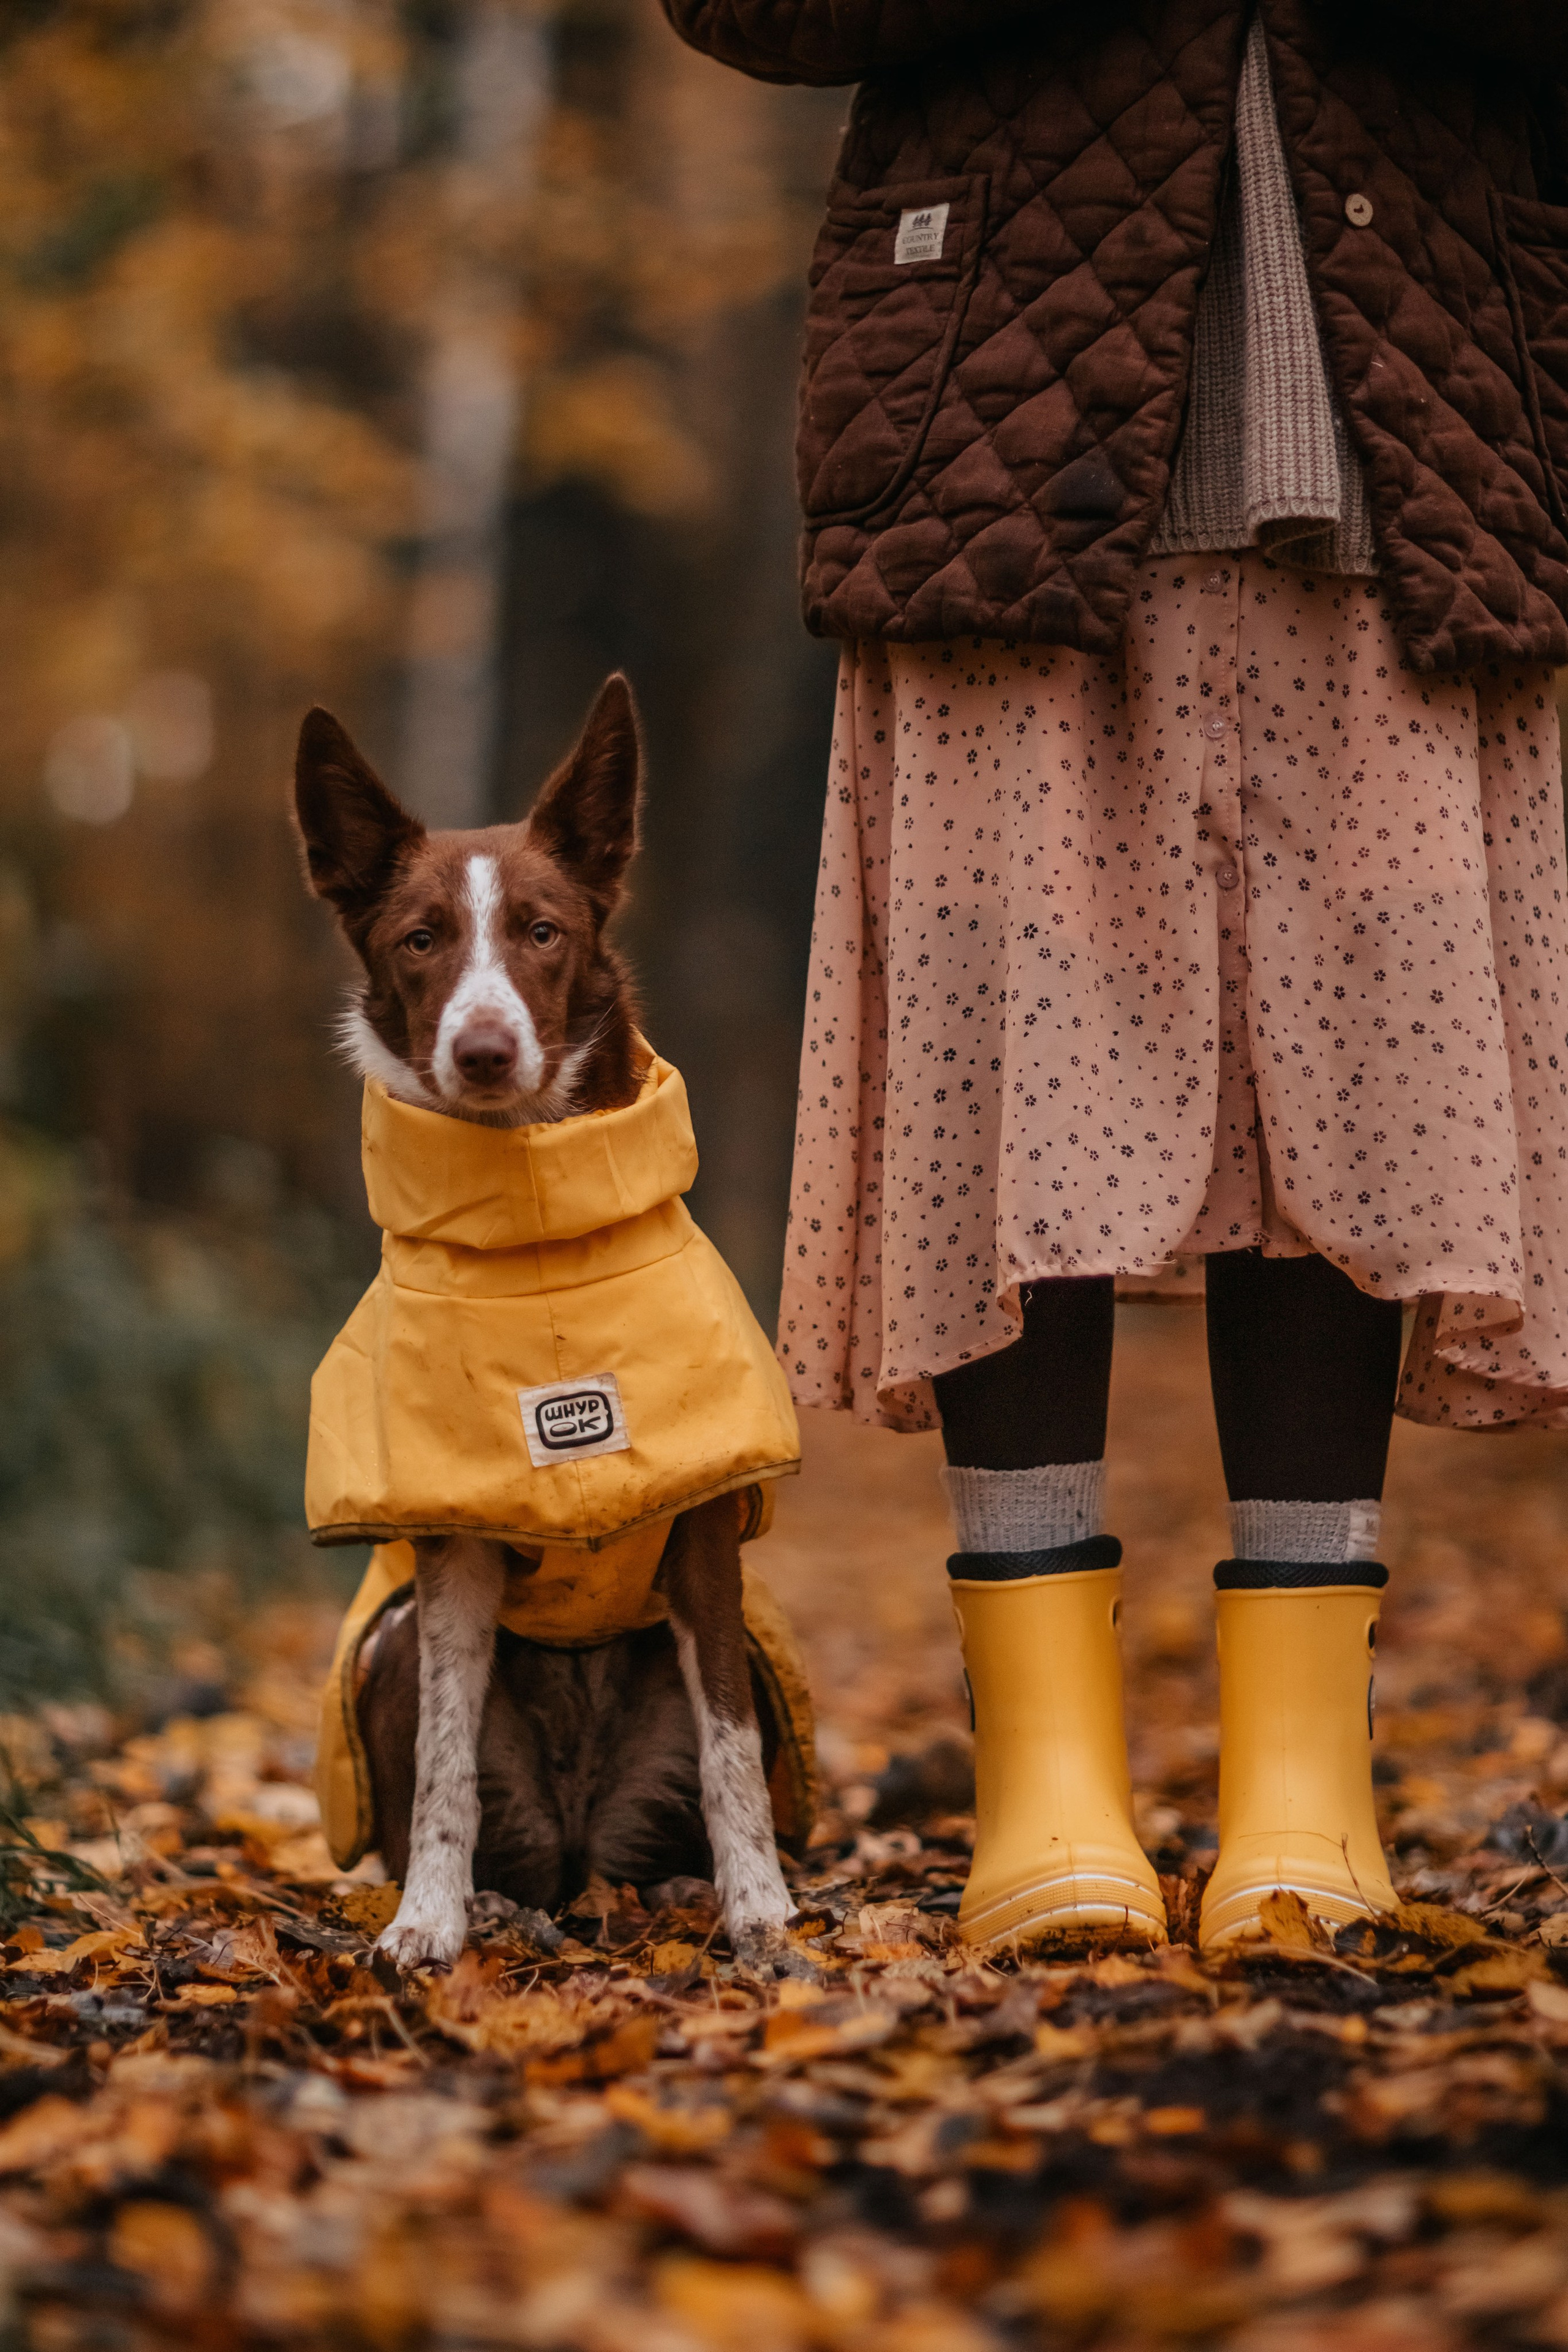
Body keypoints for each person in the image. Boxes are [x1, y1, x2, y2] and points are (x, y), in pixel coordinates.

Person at [657, 0, 1568, 1952]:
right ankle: (1046, 1796)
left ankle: (1305, 1800)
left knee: (1351, 1094)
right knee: (1023, 1087)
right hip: (999, 427)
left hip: (1417, 420)